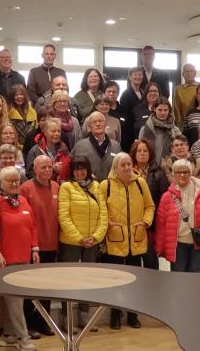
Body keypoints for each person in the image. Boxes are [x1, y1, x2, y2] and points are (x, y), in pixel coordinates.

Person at [0, 166, 40, 351]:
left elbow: (32, 226)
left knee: (14, 299)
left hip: (24, 259)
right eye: (10, 180)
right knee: (15, 301)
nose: (15, 183)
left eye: (17, 180)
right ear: (2, 183)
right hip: (6, 260)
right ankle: (23, 338)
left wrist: (35, 248)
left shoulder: (23, 201)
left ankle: (8, 335)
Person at [99, 153, 154, 330]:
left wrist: (146, 222)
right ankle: (115, 314)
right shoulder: (105, 185)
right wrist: (107, 224)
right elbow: (101, 209)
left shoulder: (140, 183)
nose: (127, 167)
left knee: (134, 281)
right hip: (115, 239)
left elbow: (149, 206)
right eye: (123, 165)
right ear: (115, 167)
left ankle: (133, 315)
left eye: (129, 164)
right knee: (115, 280)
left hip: (136, 240)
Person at [58, 156, 107, 330]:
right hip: (71, 242)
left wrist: (96, 237)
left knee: (88, 280)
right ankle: (66, 318)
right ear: (72, 171)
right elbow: (63, 217)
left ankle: (84, 317)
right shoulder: (66, 187)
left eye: (83, 168)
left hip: (92, 242)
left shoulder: (96, 186)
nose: (80, 172)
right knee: (68, 280)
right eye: (76, 168)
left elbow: (103, 215)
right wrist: (79, 238)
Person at [155, 159, 200, 272]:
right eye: (178, 172)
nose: (182, 175)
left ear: (190, 173)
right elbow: (161, 224)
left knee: (197, 278)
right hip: (178, 245)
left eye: (185, 172)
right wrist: (159, 248)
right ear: (173, 174)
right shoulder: (167, 196)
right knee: (179, 279)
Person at [20, 155, 59, 337]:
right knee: (31, 288)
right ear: (34, 169)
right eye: (43, 167)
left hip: (52, 245)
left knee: (48, 287)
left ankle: (44, 323)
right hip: (33, 247)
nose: (47, 170)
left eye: (49, 167)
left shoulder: (57, 187)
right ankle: (29, 325)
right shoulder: (25, 188)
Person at [131, 139, 169, 270]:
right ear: (134, 153)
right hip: (132, 225)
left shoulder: (158, 173)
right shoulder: (127, 171)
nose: (142, 153)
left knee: (151, 261)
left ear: (150, 153)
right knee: (133, 263)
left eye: (145, 151)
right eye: (139, 151)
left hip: (151, 225)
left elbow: (164, 201)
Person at [71, 111, 121, 181]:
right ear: (89, 126)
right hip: (87, 189)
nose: (98, 124)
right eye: (94, 122)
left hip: (111, 188)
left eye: (100, 121)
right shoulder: (79, 146)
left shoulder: (116, 146)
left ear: (105, 124)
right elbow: (72, 168)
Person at [25, 118, 71, 183]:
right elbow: (30, 175)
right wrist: (51, 169)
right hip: (42, 188)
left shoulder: (65, 149)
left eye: (59, 131)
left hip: (62, 189)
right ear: (45, 133)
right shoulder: (35, 151)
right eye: (53, 131)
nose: (57, 134)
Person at [139, 98, 181, 166]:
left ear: (169, 111)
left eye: (165, 110)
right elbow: (140, 151)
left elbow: (180, 151)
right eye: (160, 110)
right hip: (149, 168)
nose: (163, 113)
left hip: (170, 169)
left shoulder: (175, 130)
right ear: (154, 109)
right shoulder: (144, 129)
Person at [119, 67, 144, 151]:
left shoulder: (143, 93)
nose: (138, 77)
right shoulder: (125, 94)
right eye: (135, 75)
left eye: (140, 74)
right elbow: (125, 117)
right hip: (130, 132)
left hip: (142, 131)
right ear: (130, 77)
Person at [173, 64, 198, 129]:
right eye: (186, 71)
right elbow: (177, 109)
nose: (189, 73)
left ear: (195, 73)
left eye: (191, 71)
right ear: (183, 74)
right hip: (185, 125)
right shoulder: (178, 89)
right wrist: (180, 126)